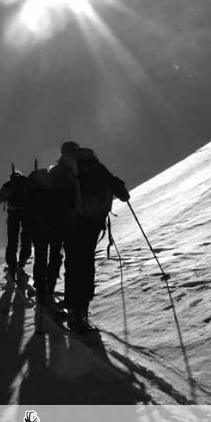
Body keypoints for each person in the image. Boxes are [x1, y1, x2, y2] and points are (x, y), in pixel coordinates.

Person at [48, 141, 130, 332]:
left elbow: (51, 197)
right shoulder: (94, 164)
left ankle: (73, 308)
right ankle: (82, 309)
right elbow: (116, 184)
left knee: (73, 264)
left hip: (71, 224)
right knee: (86, 263)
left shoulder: (61, 170)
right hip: (93, 223)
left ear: (63, 153)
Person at [24, 168, 63, 305]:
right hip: (55, 228)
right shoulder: (55, 187)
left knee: (41, 258)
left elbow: (28, 211)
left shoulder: (32, 191)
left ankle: (41, 290)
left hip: (38, 230)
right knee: (55, 257)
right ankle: (49, 288)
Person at [0, 169, 32, 279]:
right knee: (26, 238)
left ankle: (12, 267)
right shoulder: (27, 182)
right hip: (26, 213)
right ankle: (21, 265)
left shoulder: (9, 185)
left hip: (13, 213)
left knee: (12, 240)